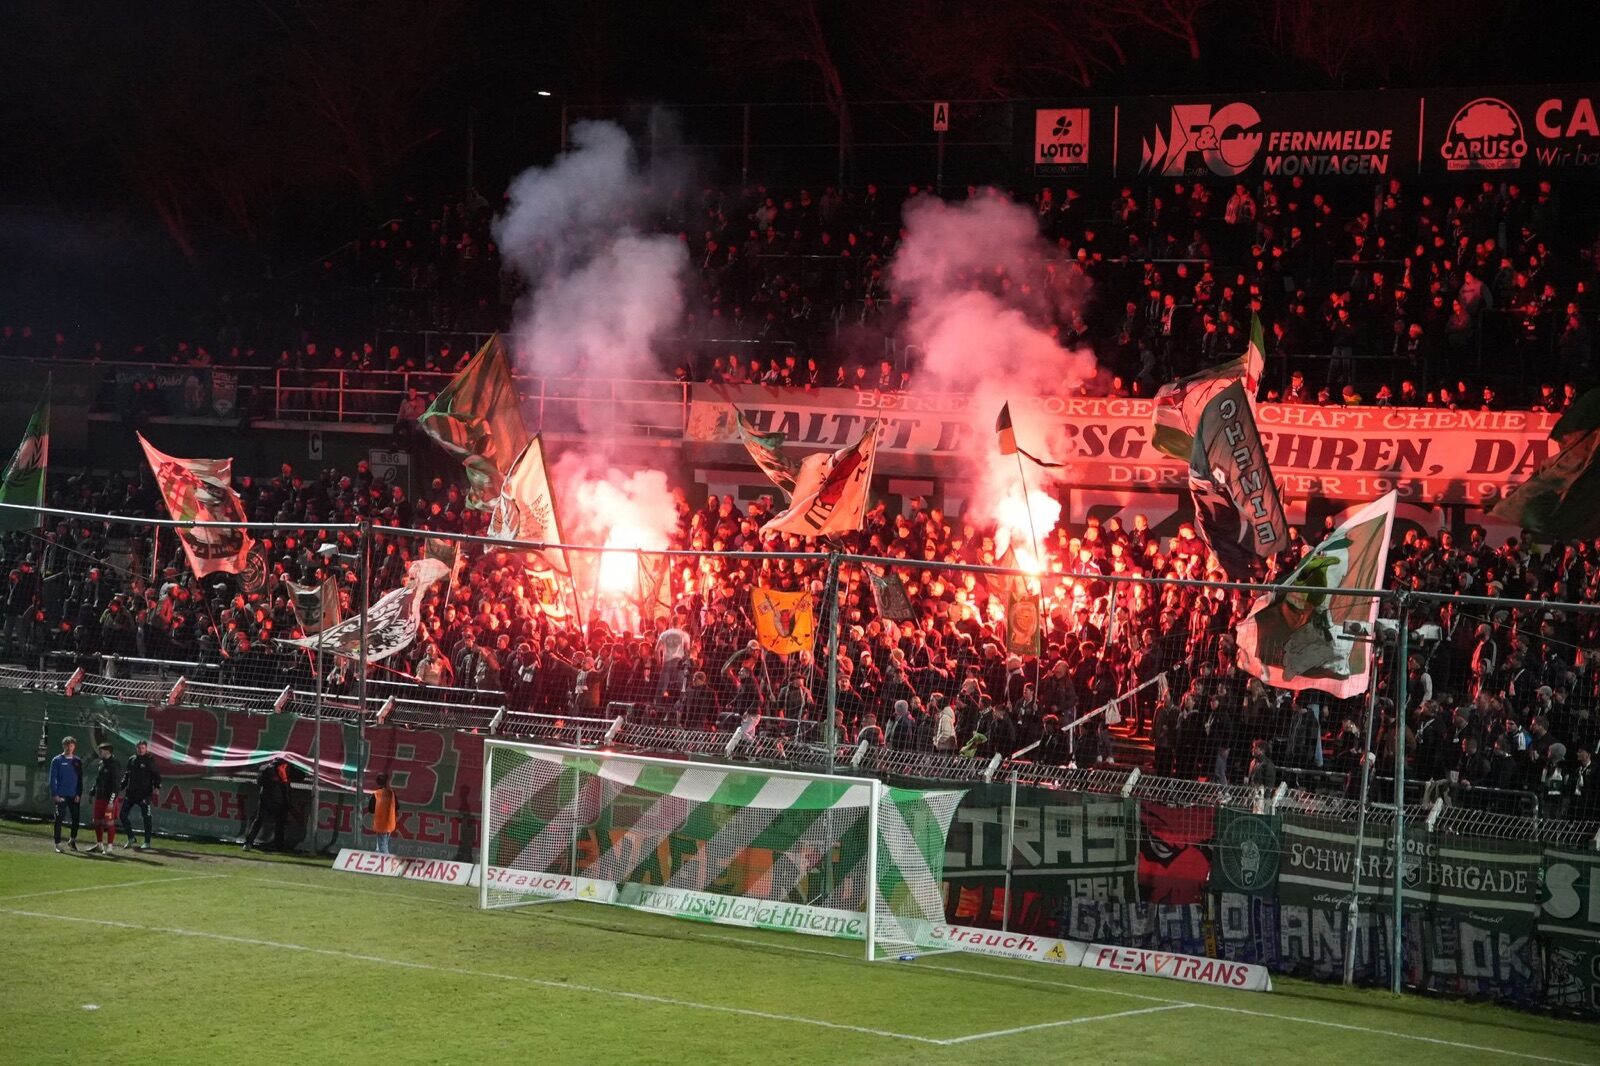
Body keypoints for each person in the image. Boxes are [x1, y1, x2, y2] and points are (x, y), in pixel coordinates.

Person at [119, 739, 162, 851]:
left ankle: (147, 842)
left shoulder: (149, 760)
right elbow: (127, 774)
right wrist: (122, 785)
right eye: (139, 748)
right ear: (136, 748)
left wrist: (157, 786)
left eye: (143, 748)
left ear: (146, 749)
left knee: (147, 817)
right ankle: (131, 837)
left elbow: (156, 774)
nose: (141, 750)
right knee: (122, 815)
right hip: (131, 793)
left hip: (144, 794)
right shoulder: (132, 759)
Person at [243, 757, 291, 851]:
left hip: (265, 797)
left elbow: (259, 782)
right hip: (277, 799)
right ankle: (279, 846)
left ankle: (248, 843)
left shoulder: (265, 768)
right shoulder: (280, 769)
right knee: (279, 823)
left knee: (259, 820)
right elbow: (284, 784)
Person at [49, 735, 83, 853]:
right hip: (61, 795)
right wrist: (55, 794)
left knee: (76, 819)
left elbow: (80, 779)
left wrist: (78, 794)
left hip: (73, 795)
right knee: (59, 819)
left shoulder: (77, 761)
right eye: (67, 745)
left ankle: (72, 840)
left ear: (74, 747)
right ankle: (57, 844)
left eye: (71, 745)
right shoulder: (57, 760)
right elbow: (52, 779)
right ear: (64, 746)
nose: (69, 747)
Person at [86, 741, 121, 855]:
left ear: (107, 751)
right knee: (96, 821)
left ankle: (110, 847)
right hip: (100, 797)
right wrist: (93, 791)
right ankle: (99, 845)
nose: (99, 752)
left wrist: (112, 800)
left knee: (109, 822)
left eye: (101, 750)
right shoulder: (101, 763)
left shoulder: (114, 764)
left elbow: (116, 785)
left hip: (109, 798)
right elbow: (98, 780)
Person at [367, 772, 398, 855]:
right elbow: (397, 807)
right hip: (390, 822)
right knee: (382, 843)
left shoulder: (376, 794)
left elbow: (371, 809)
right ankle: (377, 856)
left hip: (380, 823)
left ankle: (386, 861)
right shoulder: (392, 793)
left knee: (383, 846)